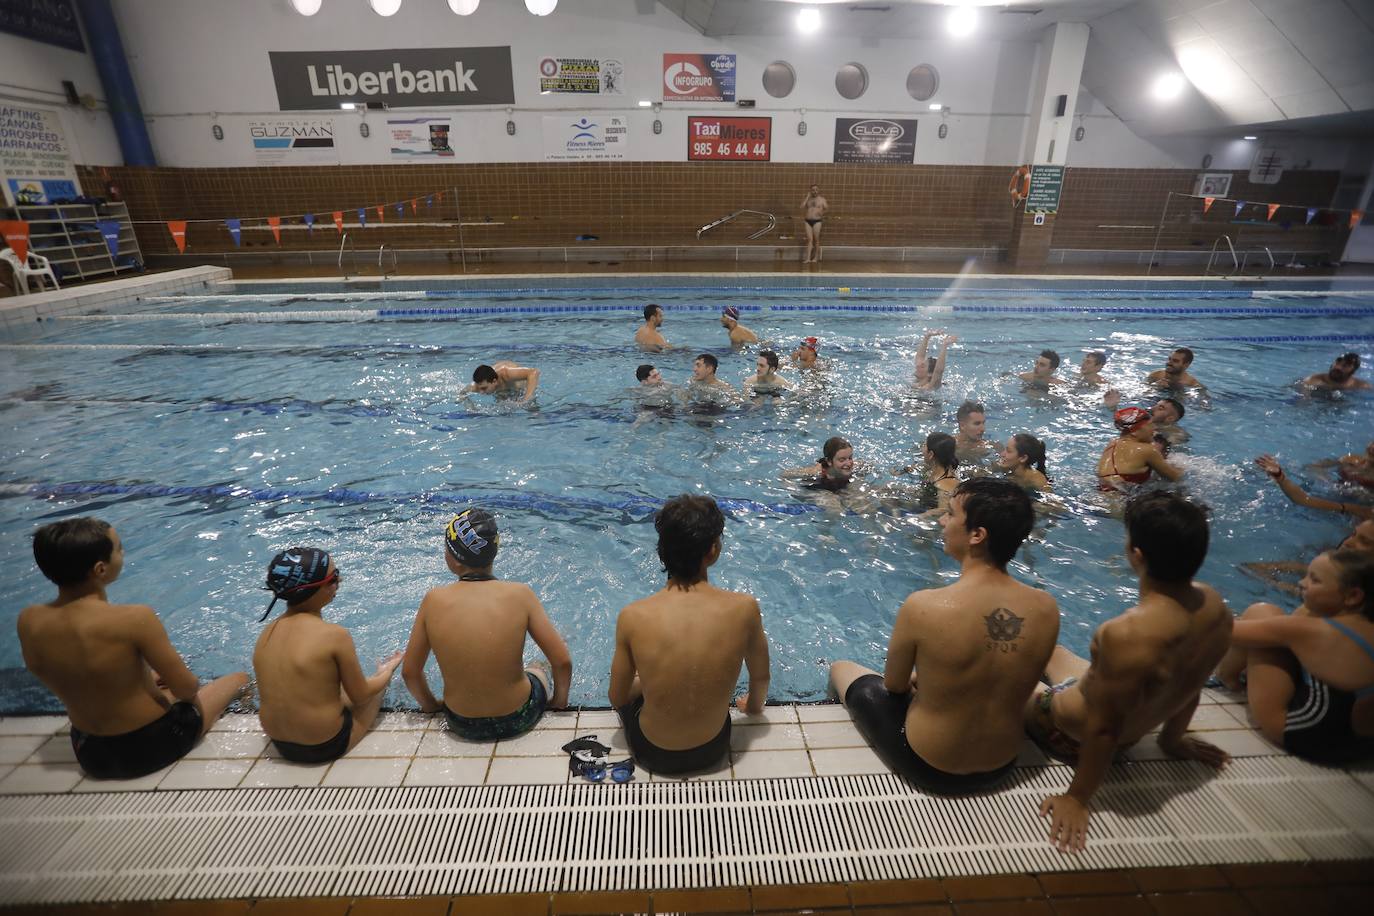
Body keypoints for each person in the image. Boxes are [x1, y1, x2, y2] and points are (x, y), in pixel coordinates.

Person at [1028, 492, 1233, 852]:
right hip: (1112, 710)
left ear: (1135, 555)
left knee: (1004, 675)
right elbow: (1193, 681)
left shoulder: (1125, 635)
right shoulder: (1214, 606)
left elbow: (1104, 729)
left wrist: (1077, 798)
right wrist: (1171, 740)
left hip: (1063, 727)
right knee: (1047, 648)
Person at [828, 478, 1059, 794]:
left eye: (950, 514)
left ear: (977, 535)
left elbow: (894, 686)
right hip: (1003, 764)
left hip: (932, 765)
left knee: (843, 670)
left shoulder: (924, 606)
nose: (941, 521)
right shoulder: (1046, 608)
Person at [17, 518, 248, 780]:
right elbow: (187, 689)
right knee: (239, 679)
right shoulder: (134, 618)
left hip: (89, 752)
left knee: (154, 680)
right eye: (119, 548)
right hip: (151, 745)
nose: (123, 553)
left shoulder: (30, 620)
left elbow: (57, 672)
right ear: (100, 569)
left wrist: (139, 681)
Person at [608, 495, 771, 774]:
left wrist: (644, 682)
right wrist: (753, 707)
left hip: (653, 754)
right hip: (713, 749)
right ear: (713, 550)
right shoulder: (744, 609)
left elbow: (617, 697)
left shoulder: (633, 616)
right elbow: (760, 677)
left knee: (637, 682)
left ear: (662, 551)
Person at [403, 510, 572, 740]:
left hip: (461, 722)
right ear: (494, 553)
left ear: (451, 558)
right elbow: (562, 661)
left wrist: (432, 706)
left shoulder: (433, 601)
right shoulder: (520, 594)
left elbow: (411, 673)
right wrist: (559, 702)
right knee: (538, 666)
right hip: (518, 717)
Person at [1224, 550, 1374, 763]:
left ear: (1353, 596)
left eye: (1314, 580)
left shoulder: (1311, 630)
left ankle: (1228, 679)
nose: (1302, 583)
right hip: (1366, 748)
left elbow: (1220, 632)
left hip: (1310, 734)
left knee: (1261, 612)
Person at [254, 547, 402, 763]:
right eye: (334, 578)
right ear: (314, 589)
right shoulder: (335, 635)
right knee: (376, 690)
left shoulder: (267, 632)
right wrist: (386, 672)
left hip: (279, 744)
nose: (339, 582)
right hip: (324, 745)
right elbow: (360, 695)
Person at [1255, 454, 1373, 521]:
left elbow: (1304, 501)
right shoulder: (1351, 459)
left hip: (1339, 510)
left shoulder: (1365, 511)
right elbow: (1311, 467)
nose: (1372, 447)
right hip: (1326, 491)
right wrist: (1327, 481)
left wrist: (1280, 477)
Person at [1096, 407, 1182, 492]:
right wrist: (1183, 466)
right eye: (1150, 424)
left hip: (1100, 495)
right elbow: (1176, 478)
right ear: (1135, 431)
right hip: (1117, 502)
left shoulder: (1112, 444)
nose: (1154, 428)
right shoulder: (1147, 450)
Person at [783, 436, 855, 492]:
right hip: (819, 488)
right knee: (831, 502)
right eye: (842, 460)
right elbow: (785, 475)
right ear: (829, 461)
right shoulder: (816, 472)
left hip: (840, 486)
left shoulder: (855, 467)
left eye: (850, 458)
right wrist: (794, 490)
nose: (848, 463)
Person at [465, 361, 540, 404]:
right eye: (479, 388)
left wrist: (526, 399)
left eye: (484, 388)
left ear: (494, 381)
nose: (481, 392)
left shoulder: (506, 373)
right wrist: (472, 408)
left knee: (531, 407)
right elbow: (461, 394)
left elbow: (534, 372)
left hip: (521, 390)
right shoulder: (478, 386)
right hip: (503, 391)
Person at [1301, 352, 1371, 391]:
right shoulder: (1314, 380)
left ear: (1353, 371)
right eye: (1337, 363)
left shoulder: (1361, 385)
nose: (1338, 367)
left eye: (1345, 366)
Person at [801, 184, 828, 264]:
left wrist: (821, 212)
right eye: (813, 190)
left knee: (816, 239)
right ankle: (808, 258)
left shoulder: (822, 199)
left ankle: (815, 257)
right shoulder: (808, 200)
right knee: (809, 240)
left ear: (818, 190)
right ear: (810, 191)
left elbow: (826, 208)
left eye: (816, 190)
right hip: (807, 220)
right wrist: (807, 197)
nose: (815, 191)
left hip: (817, 221)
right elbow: (802, 207)